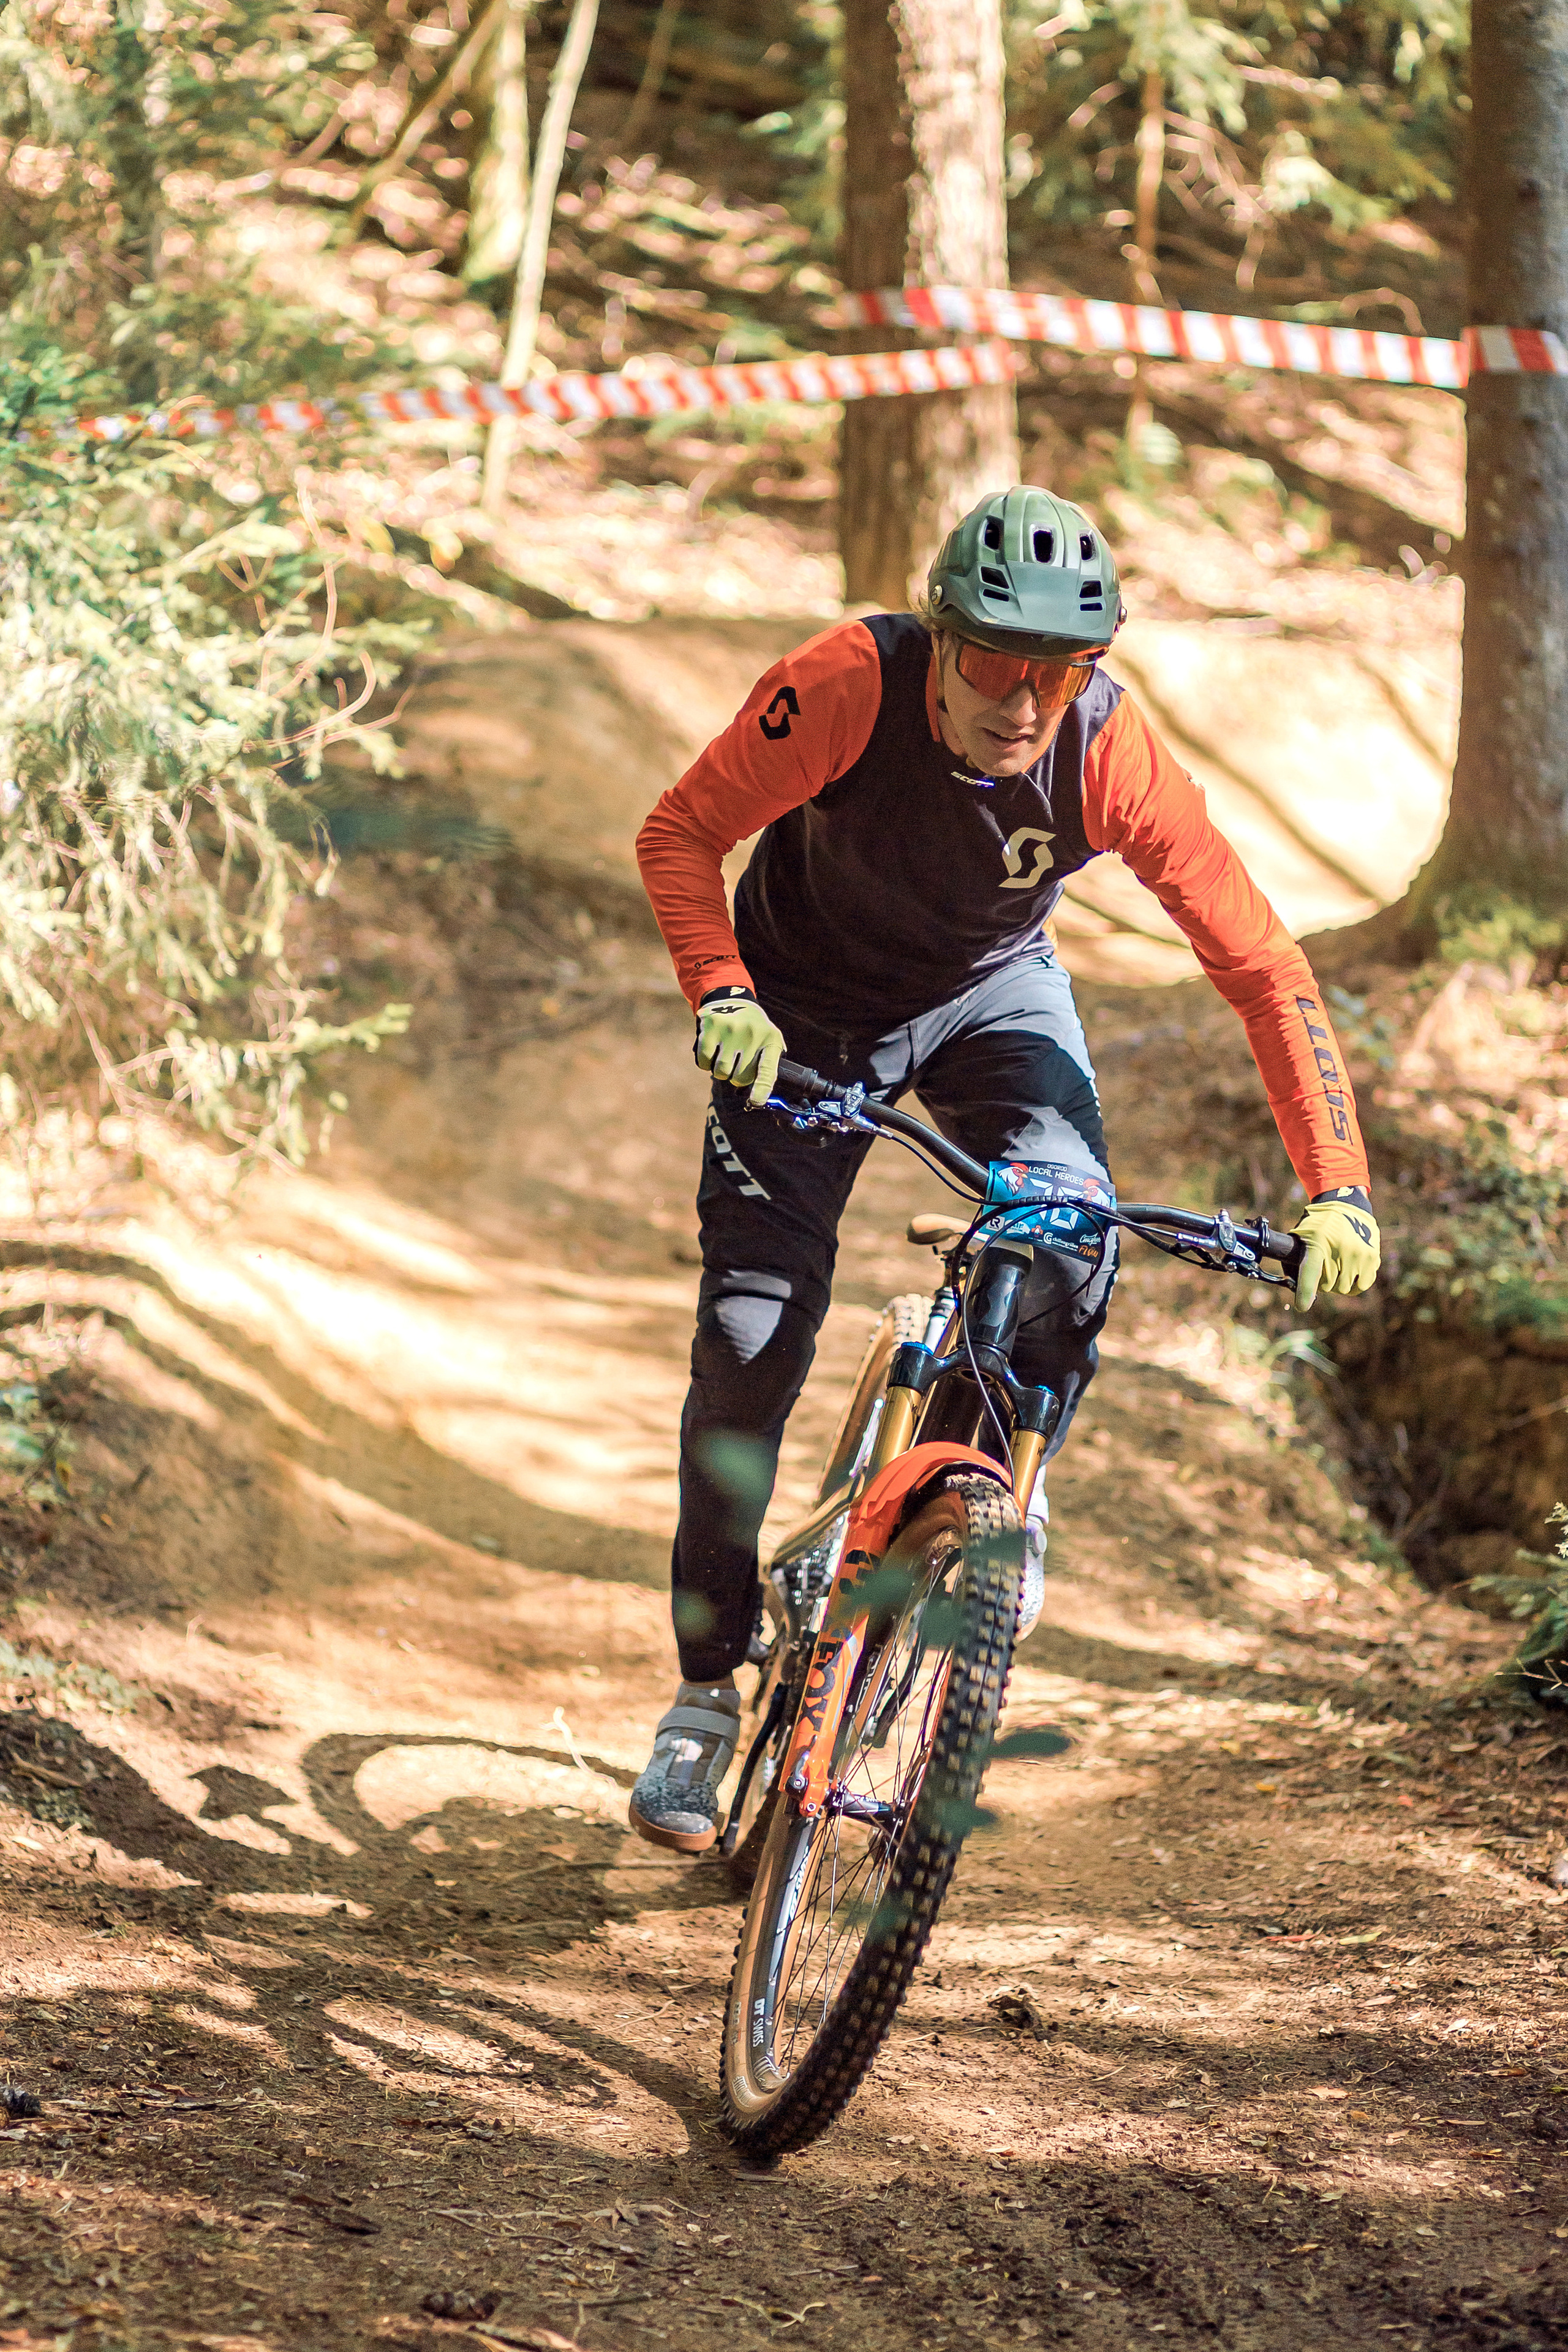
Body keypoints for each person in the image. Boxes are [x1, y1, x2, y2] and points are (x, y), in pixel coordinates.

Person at [628, 483, 1379, 1854]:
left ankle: (983, 1503)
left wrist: (1334, 1178)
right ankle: (698, 1695)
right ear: (942, 637)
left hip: (988, 999)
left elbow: (1260, 967)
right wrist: (721, 989)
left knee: (1068, 1230)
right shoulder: (847, 683)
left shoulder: (1103, 749)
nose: (1023, 700)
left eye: (1060, 670)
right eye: (992, 663)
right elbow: (678, 833)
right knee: (748, 1343)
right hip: (796, 1006)